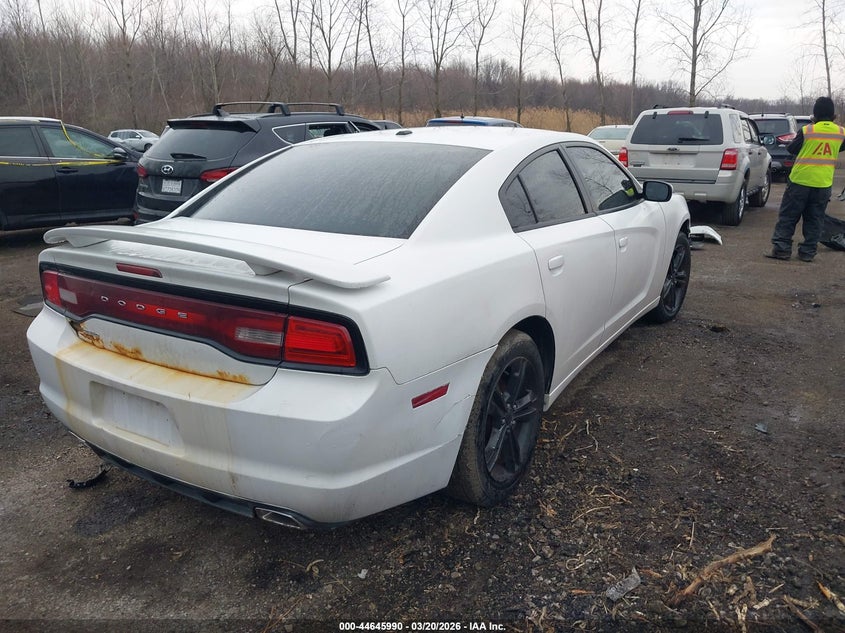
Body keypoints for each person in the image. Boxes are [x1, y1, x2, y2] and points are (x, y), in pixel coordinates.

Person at [767, 96, 845, 262]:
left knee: (788, 216)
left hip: (800, 181)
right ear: (833, 115)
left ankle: (782, 249)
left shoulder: (808, 131)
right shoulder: (841, 132)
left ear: (815, 114)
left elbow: (792, 149)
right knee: (815, 219)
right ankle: (807, 252)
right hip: (823, 183)